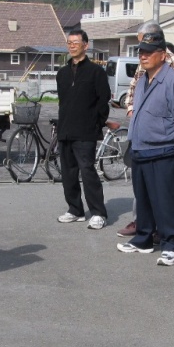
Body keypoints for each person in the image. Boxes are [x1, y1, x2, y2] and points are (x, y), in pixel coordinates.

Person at [116, 30, 174, 266]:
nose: (143, 56)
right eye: (141, 52)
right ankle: (144, 239)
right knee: (143, 199)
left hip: (162, 150)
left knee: (166, 200)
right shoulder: (142, 80)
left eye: (149, 52)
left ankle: (172, 245)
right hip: (140, 149)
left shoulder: (173, 80)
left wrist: (171, 140)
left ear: (162, 54)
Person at [55, 28, 111, 230]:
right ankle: (75, 210)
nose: (72, 46)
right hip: (65, 130)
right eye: (69, 43)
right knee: (68, 173)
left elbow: (103, 101)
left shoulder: (96, 72)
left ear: (85, 45)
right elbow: (63, 102)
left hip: (86, 132)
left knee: (88, 172)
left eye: (76, 43)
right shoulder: (62, 73)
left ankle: (98, 213)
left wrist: (97, 123)